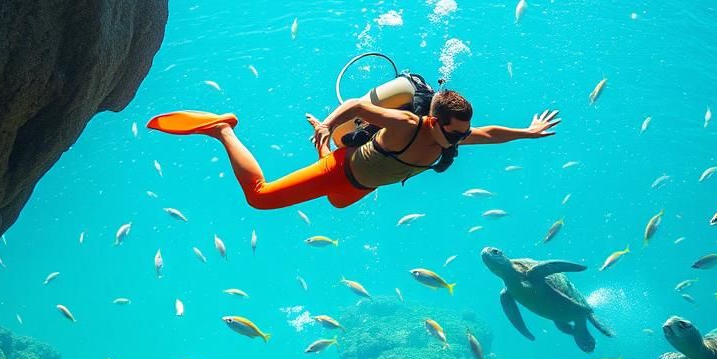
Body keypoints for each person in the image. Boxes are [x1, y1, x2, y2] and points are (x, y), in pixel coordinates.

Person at [147, 74, 560, 211]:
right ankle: (223, 128)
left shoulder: (450, 138)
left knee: (338, 202)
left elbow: (491, 135)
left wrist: (529, 131)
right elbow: (359, 105)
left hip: (358, 185)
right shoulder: (405, 124)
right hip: (341, 168)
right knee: (260, 199)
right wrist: (327, 125)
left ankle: (330, 154)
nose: (461, 138)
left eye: (462, 132)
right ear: (434, 119)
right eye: (455, 131)